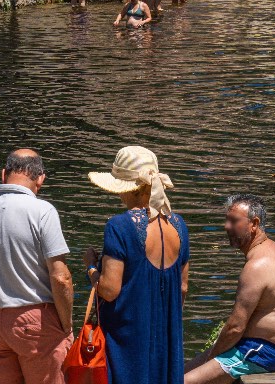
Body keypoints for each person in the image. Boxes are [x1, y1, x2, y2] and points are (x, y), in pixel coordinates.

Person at [0, 150, 74, 384]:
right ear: (40, 179)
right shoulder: (43, 211)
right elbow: (60, 277)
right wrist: (66, 326)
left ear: (4, 174)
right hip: (36, 323)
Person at [83, 146, 190, 384]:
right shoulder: (179, 225)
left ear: (126, 188)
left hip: (128, 337)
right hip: (167, 335)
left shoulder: (119, 226)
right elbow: (182, 287)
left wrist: (91, 267)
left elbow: (109, 290)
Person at [184, 194, 275, 384]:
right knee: (176, 374)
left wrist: (210, 359)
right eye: (226, 219)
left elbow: (235, 327)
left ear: (254, 224)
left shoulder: (257, 266)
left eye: (234, 221)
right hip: (253, 346)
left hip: (261, 352)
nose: (226, 226)